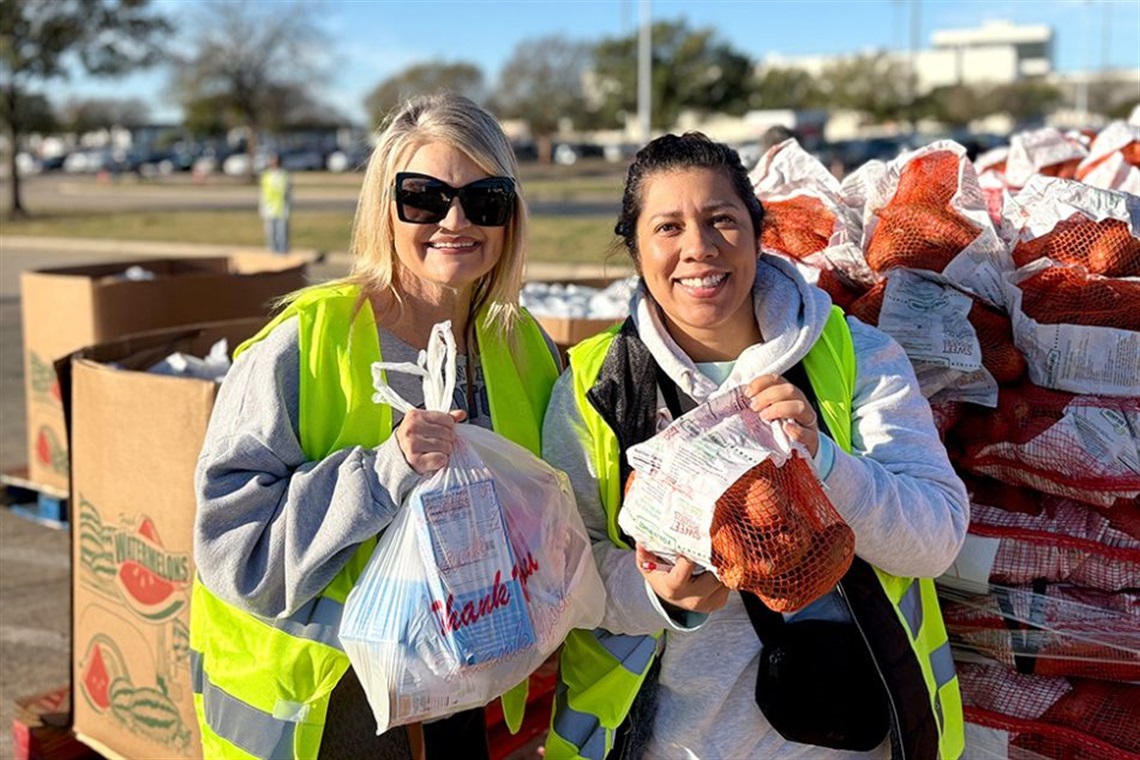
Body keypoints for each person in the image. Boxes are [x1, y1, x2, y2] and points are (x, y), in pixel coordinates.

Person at [542, 132, 970, 760]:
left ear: (758, 228)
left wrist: (825, 464)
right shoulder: (593, 388)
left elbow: (936, 537)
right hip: (669, 744)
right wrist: (658, 597)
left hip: (847, 740)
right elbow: (561, 575)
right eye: (668, 227)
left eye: (722, 220)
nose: (699, 248)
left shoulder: (856, 355)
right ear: (634, 248)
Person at [189, 92, 561, 760]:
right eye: (423, 196)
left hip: (462, 679)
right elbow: (230, 546)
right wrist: (385, 469)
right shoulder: (307, 344)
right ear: (383, 207)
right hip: (330, 709)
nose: (455, 220)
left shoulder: (522, 345)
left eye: (485, 200)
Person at [260, 151, 292, 253]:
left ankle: (283, 253)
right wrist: (262, 208)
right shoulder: (266, 175)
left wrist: (288, 207)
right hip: (269, 209)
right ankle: (272, 253)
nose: (273, 163)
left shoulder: (284, 175)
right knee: (271, 234)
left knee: (282, 234)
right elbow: (263, 193)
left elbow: (288, 193)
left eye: (275, 160)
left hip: (281, 208)